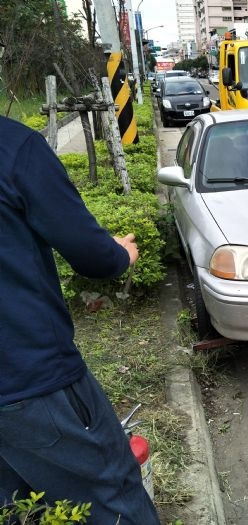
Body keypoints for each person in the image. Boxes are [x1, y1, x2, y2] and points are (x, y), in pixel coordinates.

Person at [0, 114, 160, 523]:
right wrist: (120, 253)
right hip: (29, 379)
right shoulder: (14, 147)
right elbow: (91, 255)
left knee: (18, 507)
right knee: (112, 494)